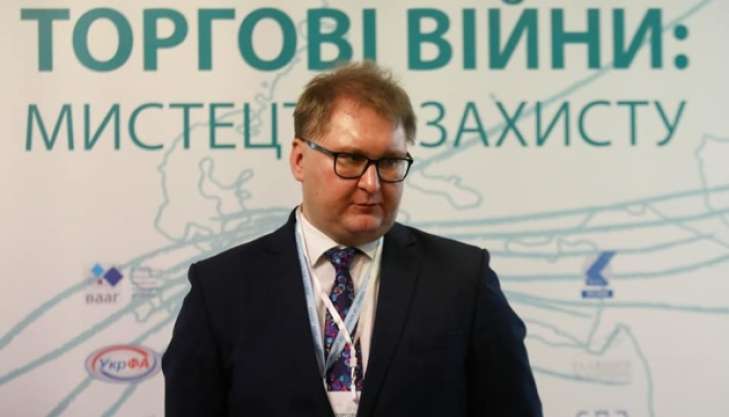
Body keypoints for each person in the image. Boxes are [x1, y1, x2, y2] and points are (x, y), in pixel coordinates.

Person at [162, 61, 542, 417]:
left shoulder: (463, 280)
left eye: (390, 162)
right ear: (299, 159)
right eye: (350, 159)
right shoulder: (221, 289)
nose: (372, 183)